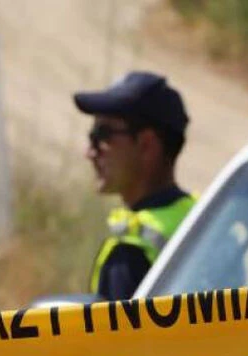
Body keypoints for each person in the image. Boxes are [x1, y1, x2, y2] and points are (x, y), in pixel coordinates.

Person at [74, 71, 197, 301]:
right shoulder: (207, 216)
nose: (90, 152)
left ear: (146, 145)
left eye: (102, 135)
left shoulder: (131, 252)